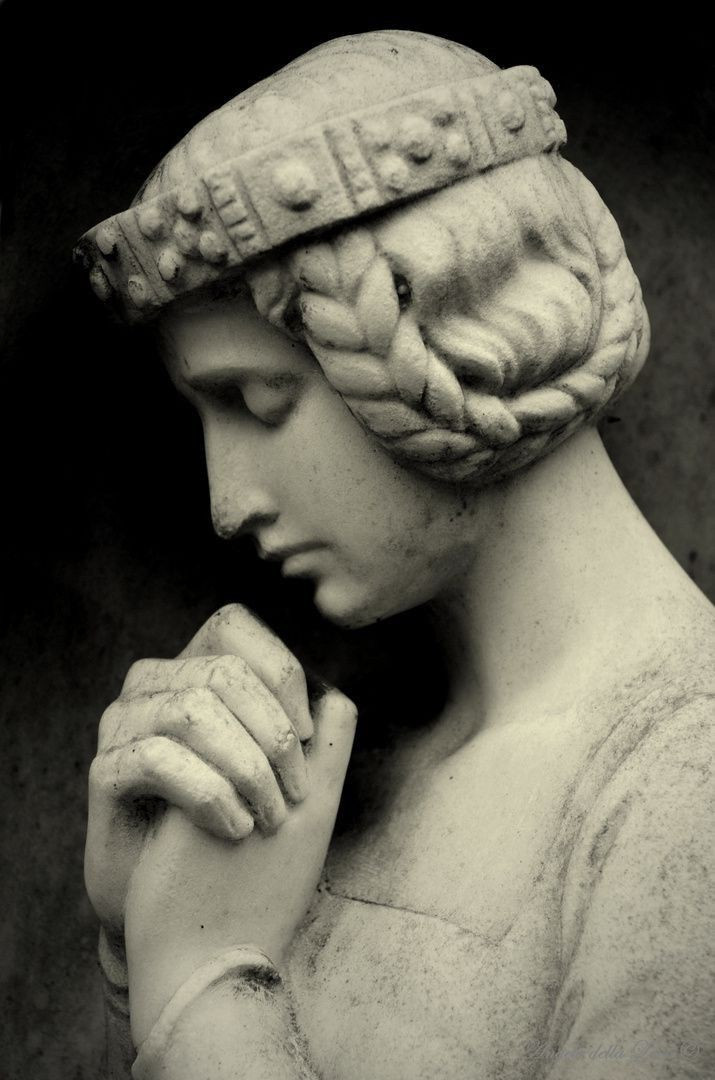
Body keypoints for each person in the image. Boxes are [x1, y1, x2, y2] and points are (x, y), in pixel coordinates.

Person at [75, 30, 715, 1080]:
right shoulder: (343, 779)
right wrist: (135, 945)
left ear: (454, 328)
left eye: (253, 399)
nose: (226, 506)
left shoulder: (680, 795)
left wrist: (203, 983)